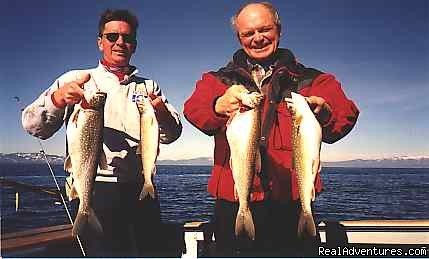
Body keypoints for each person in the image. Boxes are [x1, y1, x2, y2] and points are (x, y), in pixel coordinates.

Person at [184, 2, 359, 257]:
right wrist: (217, 105)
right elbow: (194, 110)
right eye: (248, 33)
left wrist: (327, 112)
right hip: (233, 204)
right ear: (239, 37)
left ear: (279, 29)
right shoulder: (217, 80)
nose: (257, 38)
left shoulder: (312, 79)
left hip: (291, 206)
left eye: (264, 29)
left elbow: (346, 115)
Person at [22, 9, 182, 257]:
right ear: (100, 42)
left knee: (152, 252)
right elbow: (34, 127)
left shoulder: (149, 86)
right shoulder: (76, 78)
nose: (120, 42)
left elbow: (171, 135)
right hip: (94, 188)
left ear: (135, 46)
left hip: (141, 187)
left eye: (127, 38)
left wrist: (160, 112)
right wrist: (58, 98)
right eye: (112, 36)